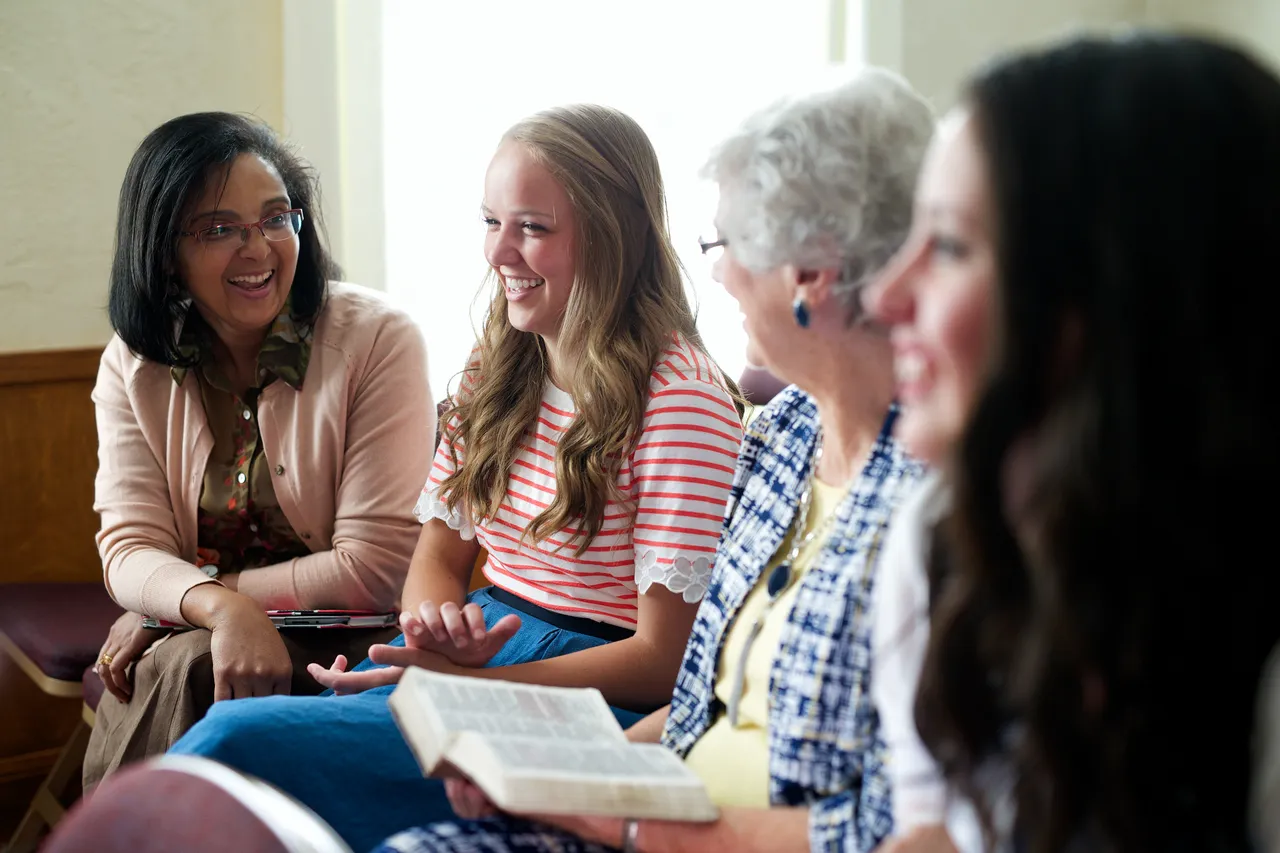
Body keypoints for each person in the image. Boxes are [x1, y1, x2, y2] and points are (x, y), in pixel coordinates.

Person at [374, 66, 934, 853]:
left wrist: (630, 819)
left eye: (727, 242)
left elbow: (905, 826)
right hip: (659, 800)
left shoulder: (944, 492)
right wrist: (547, 776)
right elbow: (699, 702)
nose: (716, 269)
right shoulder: (781, 440)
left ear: (811, 271)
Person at [170, 104, 745, 851]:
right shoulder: (497, 363)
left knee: (236, 743)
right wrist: (433, 634)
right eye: (490, 221)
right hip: (482, 664)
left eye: (533, 227)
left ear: (613, 235)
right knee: (233, 740)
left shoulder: (681, 395)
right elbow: (438, 558)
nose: (499, 251)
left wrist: (463, 689)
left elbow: (667, 659)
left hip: (589, 700)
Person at [866, 32, 1280, 853]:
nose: (885, 294)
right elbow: (939, 834)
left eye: (949, 246)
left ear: (1107, 298)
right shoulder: (944, 538)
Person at [85, 112, 434, 787]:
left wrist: (186, 602)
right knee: (189, 660)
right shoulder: (134, 361)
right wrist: (212, 610)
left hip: (352, 635)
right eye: (220, 229)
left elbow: (377, 565)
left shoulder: (378, 337)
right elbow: (128, 549)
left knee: (182, 662)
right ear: (164, 251)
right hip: (202, 630)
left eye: (277, 218)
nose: (259, 249)